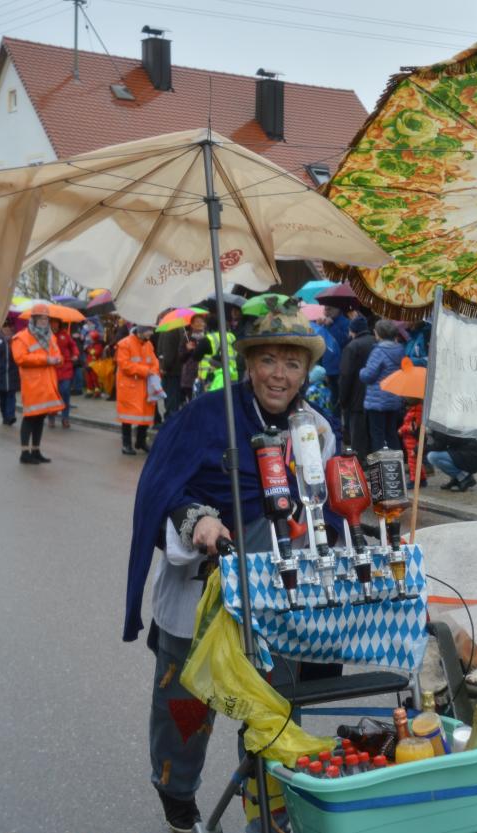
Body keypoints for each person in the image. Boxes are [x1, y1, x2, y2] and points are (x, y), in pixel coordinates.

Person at [124, 303, 334, 833]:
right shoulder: (205, 416)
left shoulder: (317, 430)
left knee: (273, 715)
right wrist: (197, 520)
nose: (279, 375)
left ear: (305, 372)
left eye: (292, 363)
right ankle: (179, 803)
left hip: (279, 607)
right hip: (197, 600)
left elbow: (324, 508)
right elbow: (162, 487)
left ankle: (267, 818)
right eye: (268, 360)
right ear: (249, 364)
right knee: (186, 716)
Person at [10, 303, 63, 464]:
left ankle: (36, 450)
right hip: (32, 384)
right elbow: (20, 359)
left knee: (40, 418)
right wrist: (46, 360)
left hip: (47, 384)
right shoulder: (21, 337)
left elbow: (57, 355)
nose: (44, 321)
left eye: (46, 318)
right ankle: (25, 453)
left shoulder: (51, 336)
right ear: (33, 319)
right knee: (30, 417)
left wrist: (59, 360)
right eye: (41, 318)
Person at [359, 319, 405, 453]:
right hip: (394, 398)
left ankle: (381, 468)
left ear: (378, 333)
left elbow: (368, 375)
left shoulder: (378, 351)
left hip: (377, 401)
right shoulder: (400, 349)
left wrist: (361, 370)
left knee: (377, 436)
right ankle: (397, 466)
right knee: (392, 434)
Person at [116, 324, 160, 455]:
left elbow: (154, 362)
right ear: (140, 331)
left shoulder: (148, 344)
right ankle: (126, 444)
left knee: (146, 414)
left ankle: (140, 442)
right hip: (129, 386)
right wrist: (147, 371)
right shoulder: (125, 344)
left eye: (151, 330)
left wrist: (154, 371)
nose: (151, 333)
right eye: (148, 330)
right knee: (127, 417)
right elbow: (125, 365)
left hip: (144, 385)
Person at [339, 316, 375, 462]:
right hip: (377, 394)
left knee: (358, 432)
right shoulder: (377, 342)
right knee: (373, 430)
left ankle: (361, 461)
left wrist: (343, 399)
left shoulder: (352, 346)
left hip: (357, 396)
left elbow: (346, 375)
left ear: (353, 330)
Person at [50, 319, 79, 429]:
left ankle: (65, 418)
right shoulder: (46, 335)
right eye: (52, 322)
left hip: (66, 367)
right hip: (52, 368)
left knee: (65, 392)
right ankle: (52, 417)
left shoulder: (65, 335)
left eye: (56, 322)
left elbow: (73, 346)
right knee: (53, 394)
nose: (54, 324)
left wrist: (75, 354)